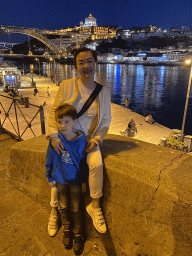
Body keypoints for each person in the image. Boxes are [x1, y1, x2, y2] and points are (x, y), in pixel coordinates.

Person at [46, 47, 111, 236]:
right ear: (76, 67)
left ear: (96, 64)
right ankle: (54, 211)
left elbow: (106, 120)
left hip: (88, 141)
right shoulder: (67, 85)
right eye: (81, 62)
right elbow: (54, 113)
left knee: (96, 164)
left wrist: (97, 140)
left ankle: (95, 206)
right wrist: (54, 136)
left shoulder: (103, 92)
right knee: (60, 172)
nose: (86, 66)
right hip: (65, 140)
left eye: (89, 61)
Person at [45, 104, 88, 254]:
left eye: (67, 122)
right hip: (60, 180)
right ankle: (67, 230)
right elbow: (49, 158)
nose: (63, 126)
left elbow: (83, 163)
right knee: (63, 206)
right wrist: (49, 175)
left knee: (76, 208)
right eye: (60, 122)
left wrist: (84, 180)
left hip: (76, 181)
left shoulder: (81, 140)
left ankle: (78, 234)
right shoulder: (56, 139)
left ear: (75, 122)